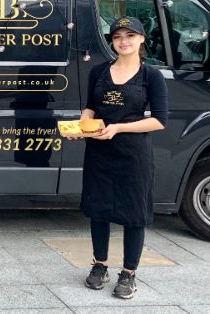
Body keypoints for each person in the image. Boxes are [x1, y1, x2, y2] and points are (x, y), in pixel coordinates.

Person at [78, 16, 167, 299]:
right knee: (98, 209)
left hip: (134, 154)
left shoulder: (151, 76)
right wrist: (81, 128)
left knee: (134, 214)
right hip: (100, 151)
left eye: (130, 35)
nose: (123, 41)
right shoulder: (98, 71)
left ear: (141, 40)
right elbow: (90, 109)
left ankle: (128, 273)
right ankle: (99, 266)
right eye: (117, 37)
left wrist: (119, 128)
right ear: (112, 41)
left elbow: (159, 121)